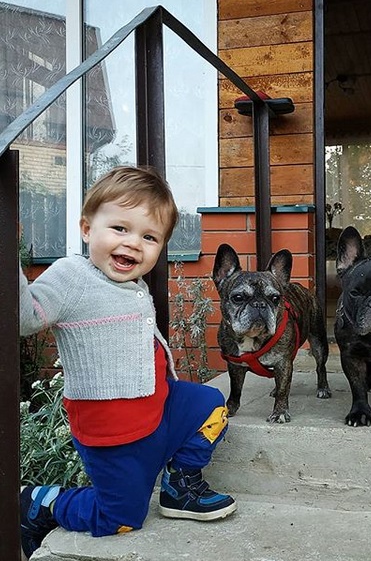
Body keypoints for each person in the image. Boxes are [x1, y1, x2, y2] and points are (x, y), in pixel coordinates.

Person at [19, 166, 236, 559]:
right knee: (120, 518)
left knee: (211, 405)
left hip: (161, 408)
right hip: (112, 433)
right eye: (120, 228)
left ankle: (179, 487)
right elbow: (26, 317)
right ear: (87, 228)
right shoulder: (72, 276)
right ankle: (41, 502)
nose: (134, 244)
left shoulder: (132, 285)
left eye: (149, 237)